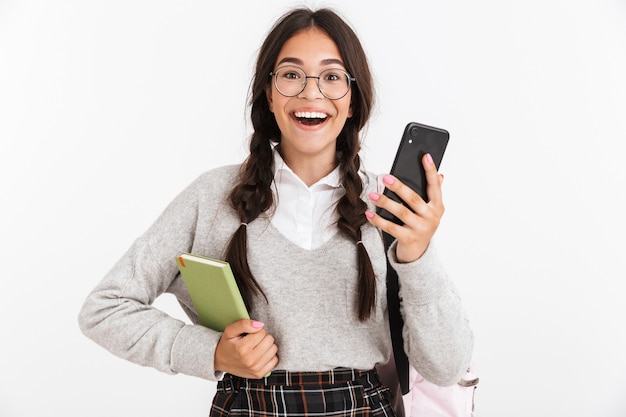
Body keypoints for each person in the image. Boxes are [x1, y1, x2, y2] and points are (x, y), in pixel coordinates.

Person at [78, 7, 473, 417]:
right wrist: (211, 351)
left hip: (362, 408)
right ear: (269, 93)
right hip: (246, 406)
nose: (311, 93)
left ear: (353, 100)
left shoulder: (389, 202)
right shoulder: (212, 196)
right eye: (291, 74)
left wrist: (418, 255)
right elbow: (105, 307)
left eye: (332, 77)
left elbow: (445, 367)